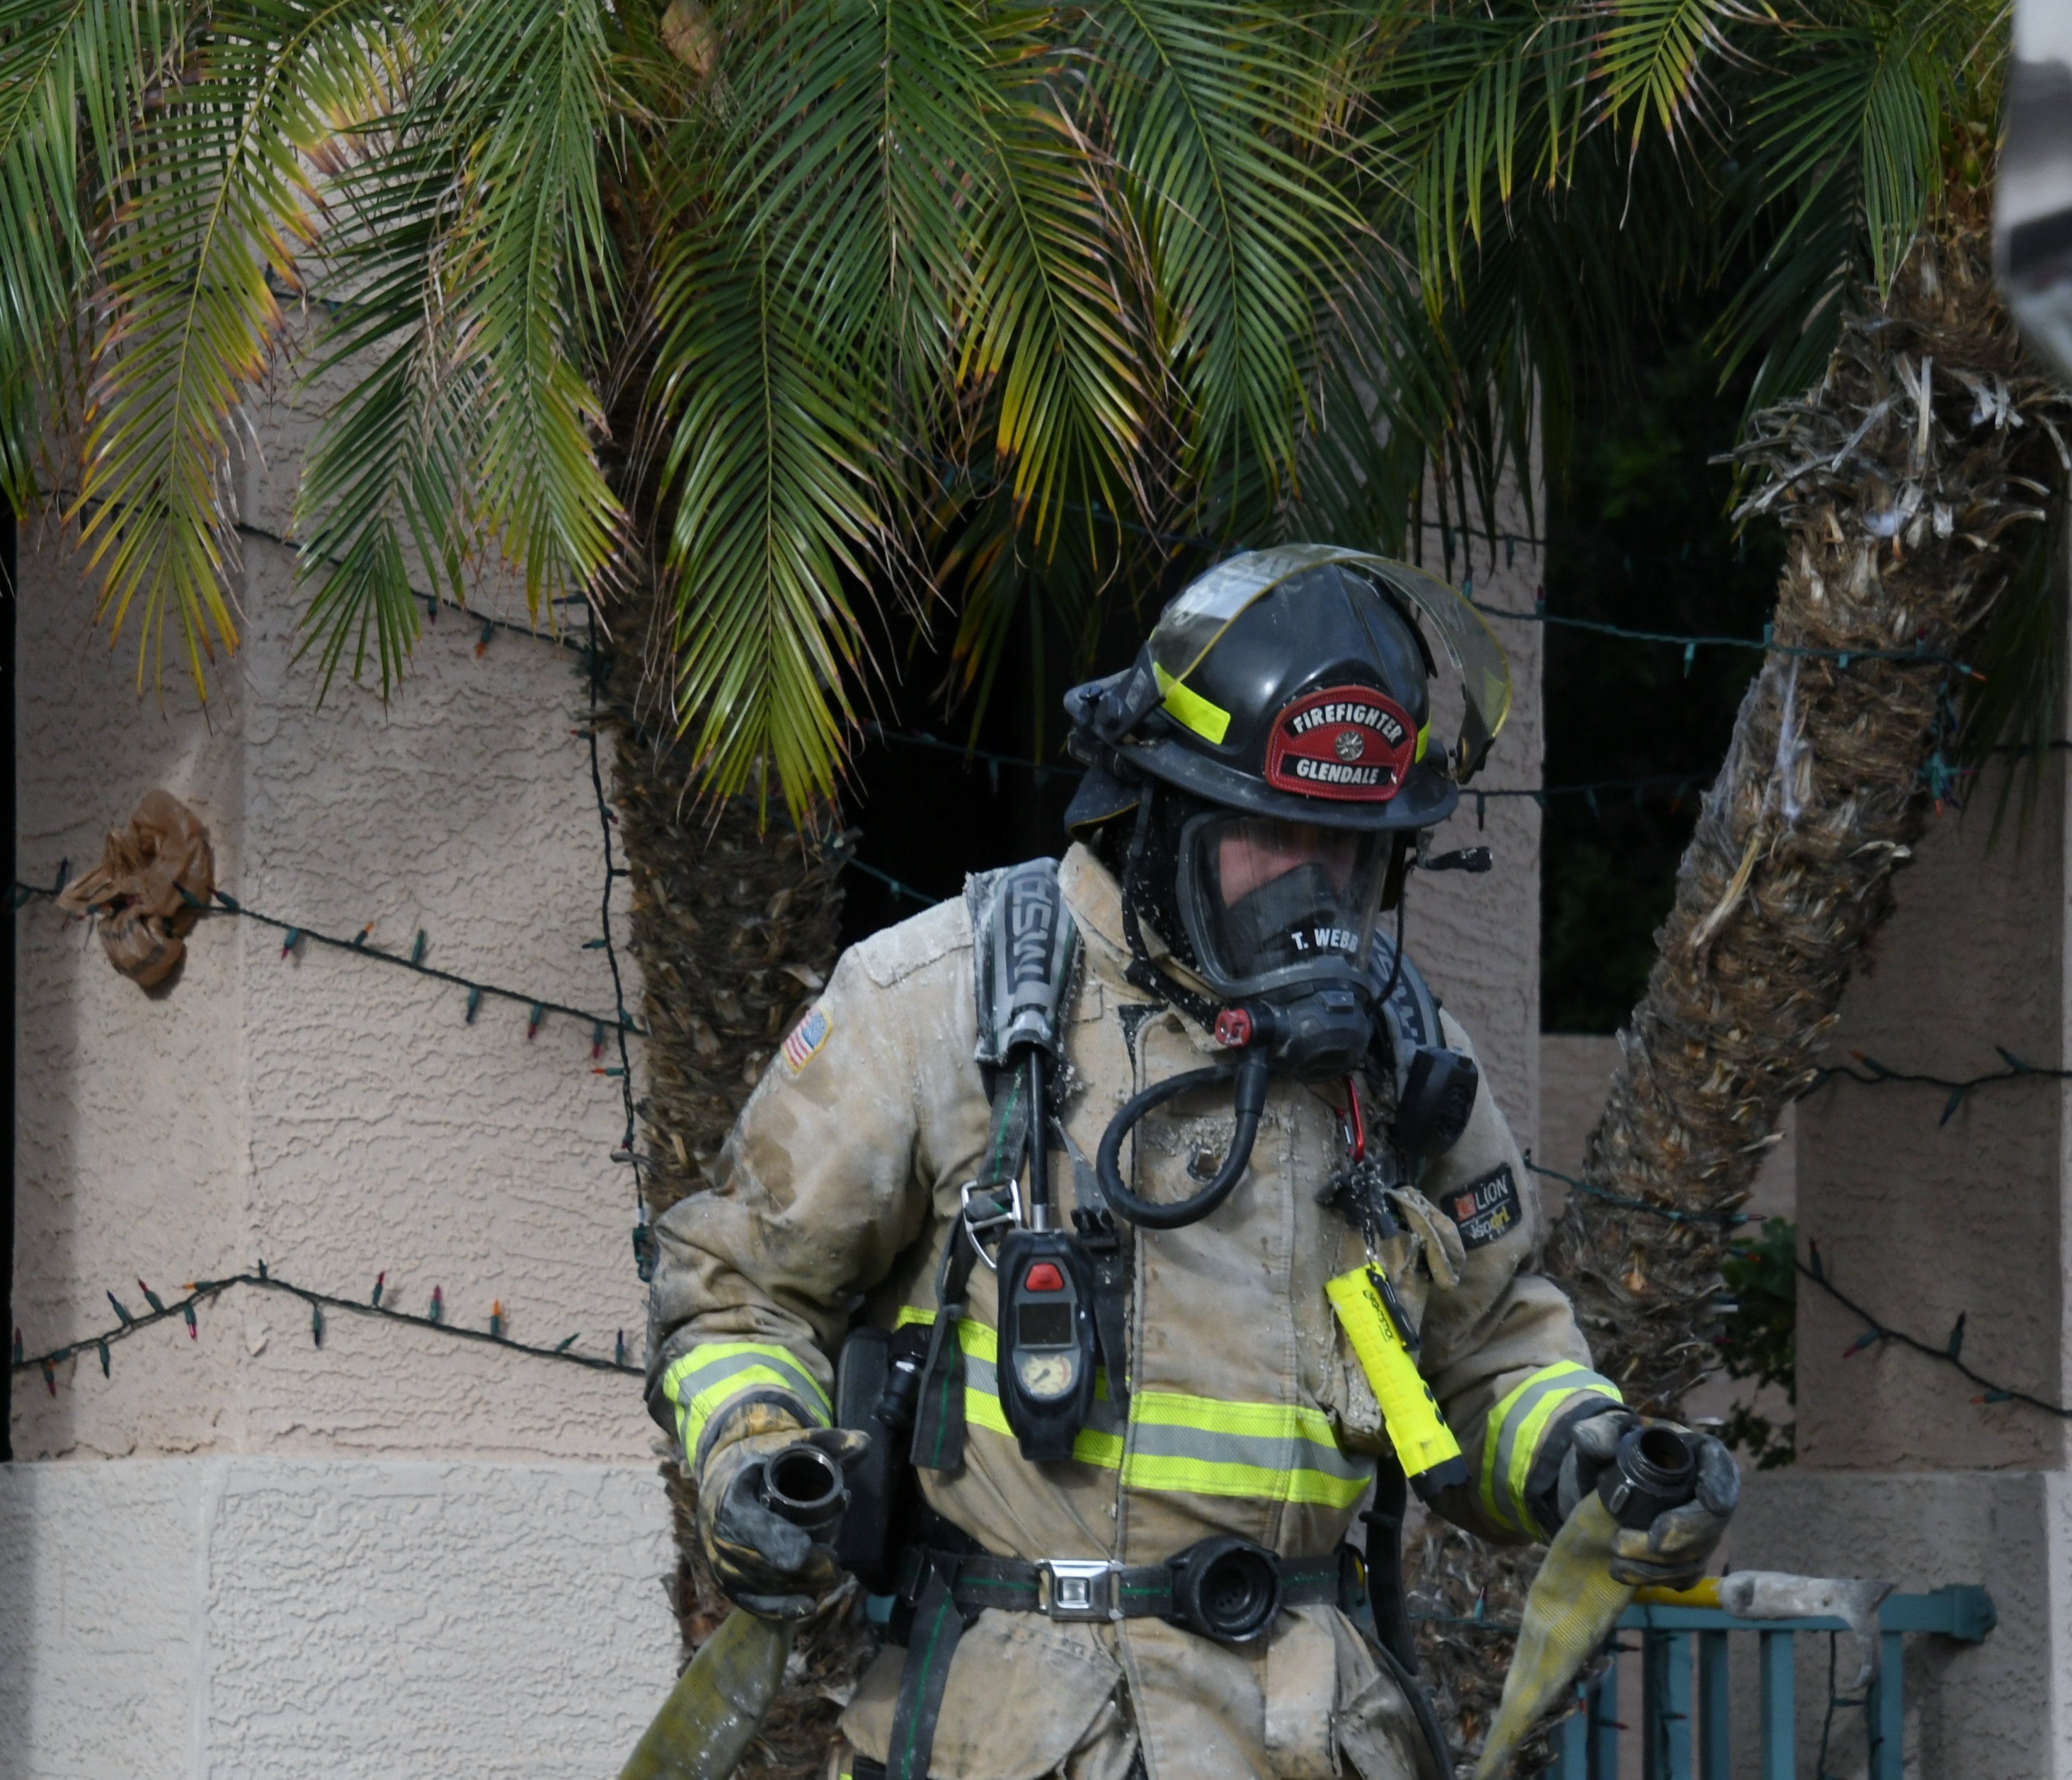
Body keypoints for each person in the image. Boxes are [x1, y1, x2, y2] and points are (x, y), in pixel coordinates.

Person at [645, 546, 1739, 1780]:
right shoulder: (945, 1002)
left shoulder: (1402, 1060)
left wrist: (1589, 1455)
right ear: (1159, 812)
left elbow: (1490, 1358)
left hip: (1314, 1742)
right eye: (1269, 837)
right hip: (1023, 1737)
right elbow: (739, 1292)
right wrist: (755, 1454)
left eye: (1347, 853)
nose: (1310, 891)